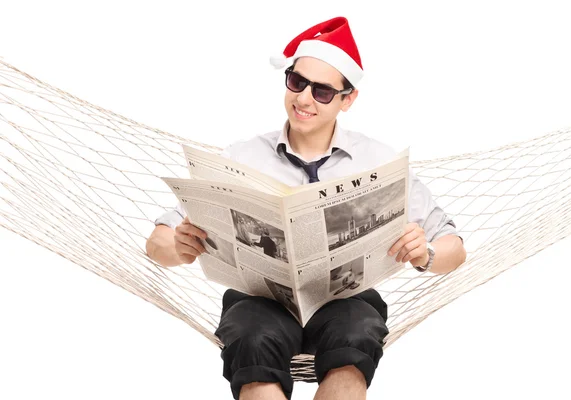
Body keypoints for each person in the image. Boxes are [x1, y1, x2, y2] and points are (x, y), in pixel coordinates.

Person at [145, 16, 467, 400]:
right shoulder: (241, 157)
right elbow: (158, 243)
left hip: (346, 301)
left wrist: (427, 254)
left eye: (323, 92)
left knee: (357, 336)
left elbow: (455, 248)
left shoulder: (379, 163)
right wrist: (177, 246)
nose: (303, 99)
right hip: (259, 301)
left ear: (348, 99)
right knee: (252, 338)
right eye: (297, 82)